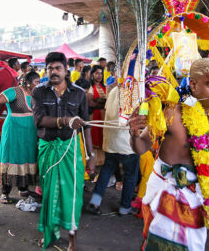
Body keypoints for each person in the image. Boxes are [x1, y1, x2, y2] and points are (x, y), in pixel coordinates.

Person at [128, 58, 209, 251]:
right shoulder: (171, 113)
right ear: (193, 84)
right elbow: (140, 148)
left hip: (198, 197)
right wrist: (133, 134)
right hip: (166, 192)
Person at [31, 52, 94, 251]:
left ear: (66, 70)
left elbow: (86, 126)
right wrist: (65, 120)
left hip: (70, 148)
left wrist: (91, 156)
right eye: (50, 69)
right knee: (48, 193)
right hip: (47, 149)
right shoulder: (39, 92)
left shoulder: (78, 93)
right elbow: (39, 120)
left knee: (73, 194)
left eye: (58, 68)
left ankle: (72, 239)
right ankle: (48, 233)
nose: (53, 72)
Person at [0, 71, 40, 203]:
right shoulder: (15, 91)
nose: (38, 84)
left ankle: (23, 188)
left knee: (26, 156)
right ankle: (5, 192)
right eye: (36, 82)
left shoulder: (36, 94)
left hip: (30, 132)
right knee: (12, 156)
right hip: (14, 129)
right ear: (28, 82)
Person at [87, 87, 140, 215]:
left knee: (107, 169)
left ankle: (95, 202)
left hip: (111, 140)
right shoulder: (135, 90)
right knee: (130, 174)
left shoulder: (114, 90)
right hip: (127, 142)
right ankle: (125, 206)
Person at [88, 65, 106, 166]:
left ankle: (103, 162)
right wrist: (103, 103)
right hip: (95, 115)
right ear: (92, 75)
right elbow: (90, 103)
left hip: (104, 116)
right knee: (95, 137)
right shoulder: (90, 87)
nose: (99, 75)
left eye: (101, 73)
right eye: (97, 73)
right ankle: (94, 164)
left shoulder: (105, 87)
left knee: (104, 137)